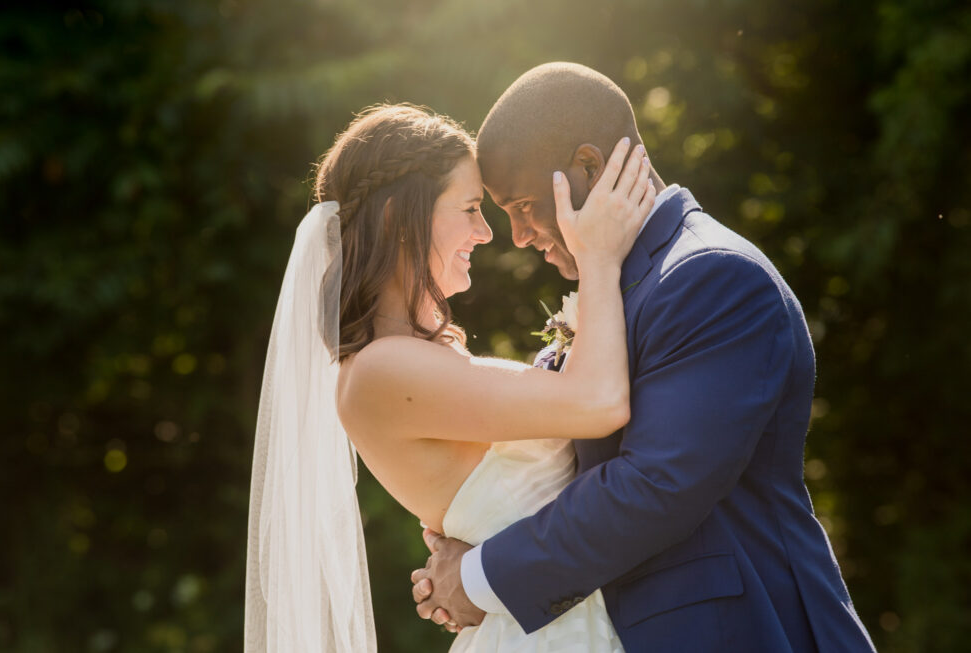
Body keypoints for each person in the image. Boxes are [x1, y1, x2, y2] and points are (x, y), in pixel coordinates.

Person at [411, 63, 877, 652]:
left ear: (589, 167)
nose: (520, 236)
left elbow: (656, 485)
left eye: (524, 204)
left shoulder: (710, 277)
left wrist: (479, 576)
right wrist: (476, 534)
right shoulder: (616, 289)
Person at [244, 103, 656, 651]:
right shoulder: (380, 370)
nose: (486, 233)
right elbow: (599, 403)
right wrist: (599, 258)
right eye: (469, 208)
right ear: (398, 220)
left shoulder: (409, 360)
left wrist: (473, 567)